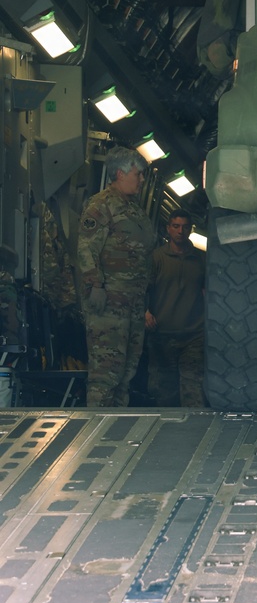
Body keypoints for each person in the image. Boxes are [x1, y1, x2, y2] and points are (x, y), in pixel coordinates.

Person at [77, 148, 156, 408]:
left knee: (125, 373)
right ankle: (94, 432)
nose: (142, 180)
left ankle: (115, 429)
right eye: (139, 174)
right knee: (105, 373)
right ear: (120, 173)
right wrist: (95, 285)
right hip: (109, 304)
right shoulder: (102, 205)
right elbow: (86, 248)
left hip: (132, 305)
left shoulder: (134, 209)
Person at [145, 212, 206, 407]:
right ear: (168, 228)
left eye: (185, 227)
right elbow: (143, 289)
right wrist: (145, 312)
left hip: (193, 334)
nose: (180, 231)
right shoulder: (156, 258)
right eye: (176, 226)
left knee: (193, 388)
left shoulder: (200, 259)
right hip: (162, 333)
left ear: (190, 230)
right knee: (164, 391)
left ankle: (195, 431)